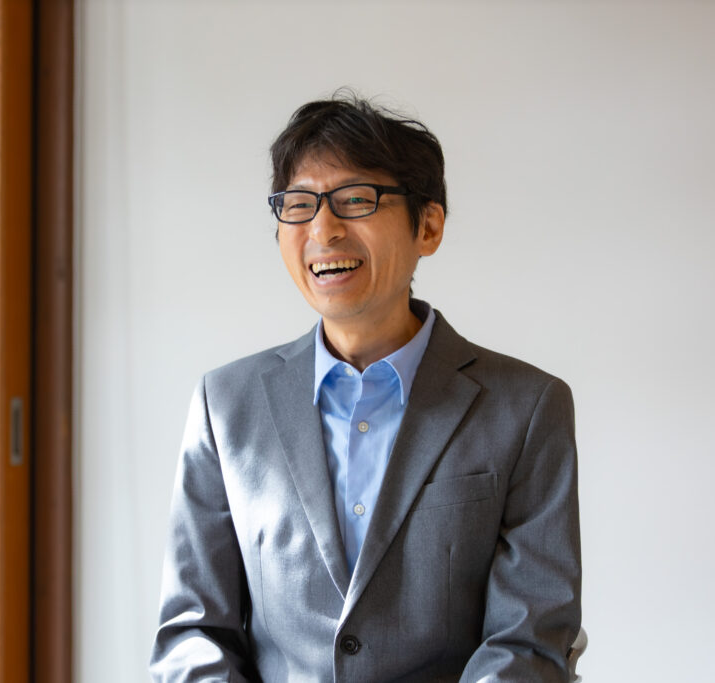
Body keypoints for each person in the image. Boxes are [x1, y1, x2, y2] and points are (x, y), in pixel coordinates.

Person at [150, 92, 581, 682]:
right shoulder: (225, 406)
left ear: (428, 226)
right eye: (298, 204)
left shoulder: (527, 407)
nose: (322, 230)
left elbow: (529, 640)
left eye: (356, 199)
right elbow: (192, 634)